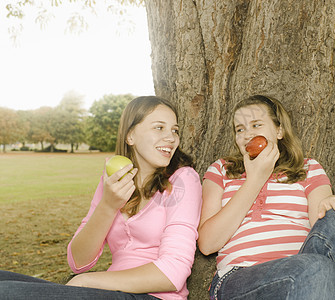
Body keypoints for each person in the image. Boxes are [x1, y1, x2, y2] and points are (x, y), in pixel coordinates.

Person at [0, 96, 202, 300]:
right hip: (107, 292)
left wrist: (88, 281)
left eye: (174, 130)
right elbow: (78, 261)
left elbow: (173, 271)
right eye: (159, 128)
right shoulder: (114, 181)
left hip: (155, 297)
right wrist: (108, 205)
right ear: (130, 135)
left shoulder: (183, 180)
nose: (171, 137)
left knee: (6, 293)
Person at [198, 95, 335, 300]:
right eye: (240, 129)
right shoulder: (222, 169)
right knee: (314, 267)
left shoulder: (308, 168)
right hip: (240, 278)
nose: (247, 134)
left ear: (279, 130)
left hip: (307, 270)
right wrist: (254, 180)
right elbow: (207, 244)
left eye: (256, 125)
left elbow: (325, 226)